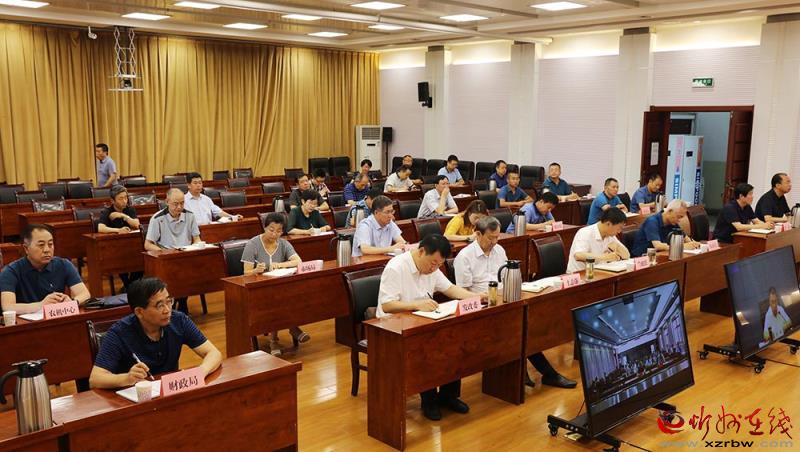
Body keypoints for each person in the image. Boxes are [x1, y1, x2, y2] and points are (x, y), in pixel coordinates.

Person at [454, 216, 576, 389]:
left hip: (505, 301)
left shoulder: (499, 250)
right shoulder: (465, 256)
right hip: (483, 309)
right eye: (490, 238)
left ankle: (540, 373)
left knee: (527, 326)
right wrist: (483, 297)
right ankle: (545, 374)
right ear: (478, 234)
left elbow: (506, 277)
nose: (494, 242)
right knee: (520, 329)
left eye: (497, 237)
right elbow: (463, 293)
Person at [377, 234, 485, 420]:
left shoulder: (432, 267)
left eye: (439, 265)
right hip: (393, 326)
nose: (434, 268)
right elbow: (387, 305)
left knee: (455, 342)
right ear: (421, 252)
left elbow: (450, 289)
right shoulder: (396, 267)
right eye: (433, 263)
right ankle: (429, 400)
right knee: (428, 348)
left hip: (422, 320)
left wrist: (475, 297)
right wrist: (416, 305)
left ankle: (448, 396)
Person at [88, 277, 222, 389]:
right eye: (159, 305)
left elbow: (213, 353)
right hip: (136, 398)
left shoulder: (178, 320)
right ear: (139, 312)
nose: (167, 310)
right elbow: (95, 379)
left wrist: (201, 372)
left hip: (170, 392)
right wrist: (127, 378)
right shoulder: (119, 333)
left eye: (169, 301)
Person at [241, 213, 307, 355]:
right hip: (257, 290)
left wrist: (280, 265)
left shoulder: (283, 243)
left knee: (292, 295)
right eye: (271, 230)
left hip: (278, 286)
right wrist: (255, 271)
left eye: (278, 231)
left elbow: (298, 261)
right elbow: (245, 273)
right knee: (274, 300)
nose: (274, 234)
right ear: (265, 227)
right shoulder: (253, 244)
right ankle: (280, 336)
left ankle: (288, 329)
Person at [0, 224, 91, 314]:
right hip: (26, 321)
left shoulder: (63, 264)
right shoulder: (11, 271)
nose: (47, 250)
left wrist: (72, 302)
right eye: (41, 245)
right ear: (26, 248)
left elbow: (85, 294)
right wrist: (41, 305)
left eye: (50, 244)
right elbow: (8, 307)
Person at [145, 188, 201, 313]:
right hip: (166, 258)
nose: (179, 207)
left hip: (185, 256)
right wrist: (164, 253)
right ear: (167, 202)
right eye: (176, 204)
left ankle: (182, 302)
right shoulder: (157, 218)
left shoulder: (190, 215)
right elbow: (148, 245)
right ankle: (176, 303)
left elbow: (196, 238)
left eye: (182, 203)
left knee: (195, 270)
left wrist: (196, 246)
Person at [97, 186, 143, 289]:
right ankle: (129, 287)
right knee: (120, 261)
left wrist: (123, 216)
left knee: (141, 261)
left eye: (126, 197)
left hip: (131, 246)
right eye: (121, 198)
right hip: (114, 249)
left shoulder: (129, 209)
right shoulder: (107, 211)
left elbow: (137, 225)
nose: (124, 201)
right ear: (112, 201)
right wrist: (118, 230)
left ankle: (129, 287)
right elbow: (100, 228)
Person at [567, 208, 630, 273]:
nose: (619, 231)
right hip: (580, 274)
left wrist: (618, 246)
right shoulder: (585, 232)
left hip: (599, 272)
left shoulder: (610, 235)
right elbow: (578, 255)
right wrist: (606, 257)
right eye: (619, 228)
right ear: (608, 224)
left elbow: (627, 256)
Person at [630, 199, 699, 257]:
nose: (679, 220)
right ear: (670, 211)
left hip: (660, 255)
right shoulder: (652, 221)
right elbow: (658, 246)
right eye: (679, 216)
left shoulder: (673, 222)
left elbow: (686, 239)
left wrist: (694, 244)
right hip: (642, 258)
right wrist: (682, 246)